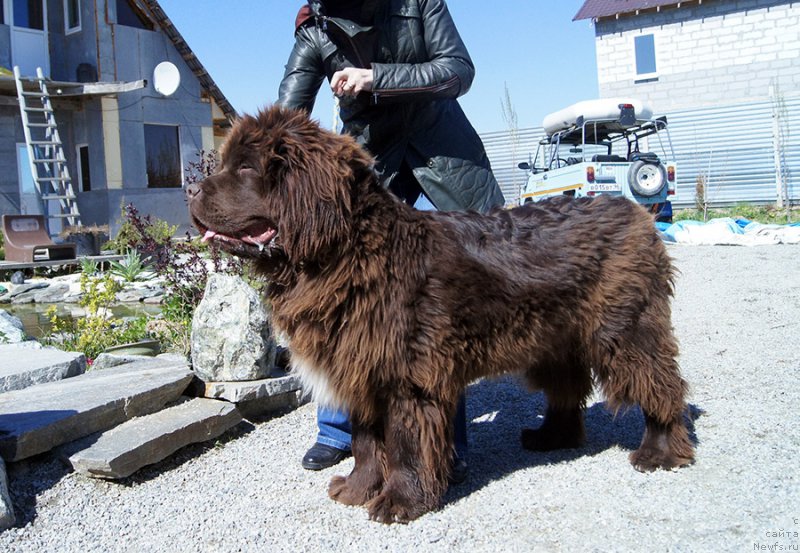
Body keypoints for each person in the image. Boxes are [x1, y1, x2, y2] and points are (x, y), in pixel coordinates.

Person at [276, 0, 505, 483]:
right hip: (370, 165)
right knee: (340, 293)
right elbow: (286, 118)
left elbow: (458, 70)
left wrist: (376, 77)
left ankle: (446, 442)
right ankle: (338, 429)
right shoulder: (315, 27)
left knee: (439, 305)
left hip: (440, 154)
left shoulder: (420, 2)